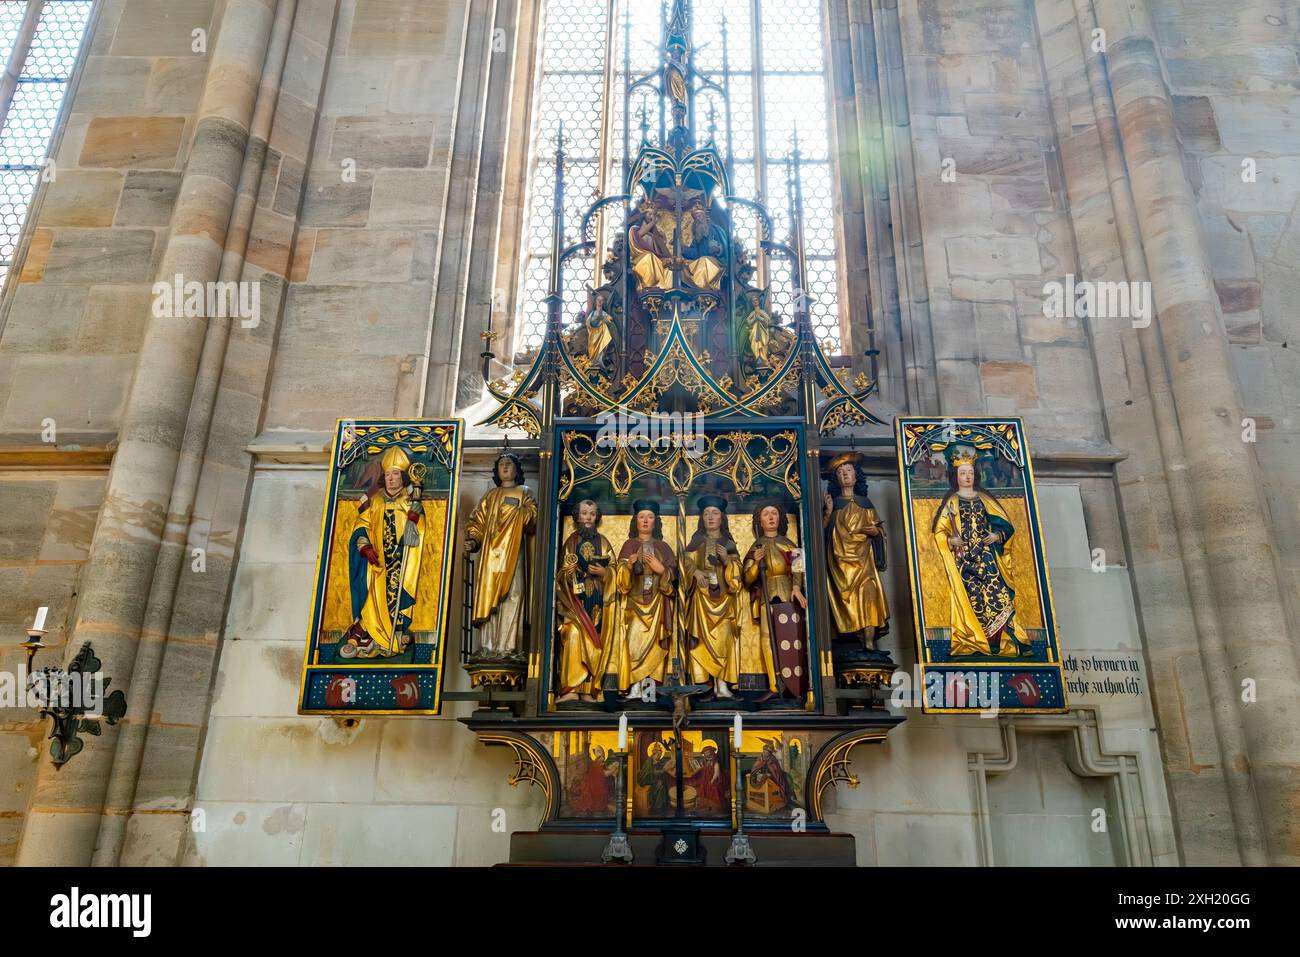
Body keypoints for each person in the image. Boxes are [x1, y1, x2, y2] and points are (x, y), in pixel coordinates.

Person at [930, 447, 1032, 657]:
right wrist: (950, 539)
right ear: (955, 476)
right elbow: (940, 531)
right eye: (962, 473)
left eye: (970, 473)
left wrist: (997, 536)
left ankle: (1006, 644)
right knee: (973, 601)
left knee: (1000, 598)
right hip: (966, 562)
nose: (967, 477)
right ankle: (977, 642)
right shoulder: (952, 501)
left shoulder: (985, 499)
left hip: (988, 559)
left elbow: (1006, 526)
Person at [341, 445, 425, 659]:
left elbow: (420, 529)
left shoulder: (409, 501)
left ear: (402, 477)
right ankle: (368, 633)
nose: (390, 478)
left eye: (395, 474)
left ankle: (392, 635)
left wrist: (415, 519)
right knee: (371, 596)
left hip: (399, 560)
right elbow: (362, 524)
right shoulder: (375, 500)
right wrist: (365, 547)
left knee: (396, 596)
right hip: (377, 562)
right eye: (387, 474)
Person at [464, 452, 537, 656]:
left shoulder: (524, 492)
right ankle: (488, 646)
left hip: (514, 553)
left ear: (517, 470)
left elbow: (533, 519)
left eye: (509, 464)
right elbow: (478, 521)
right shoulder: (490, 495)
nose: (505, 468)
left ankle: (509, 646)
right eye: (501, 464)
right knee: (489, 595)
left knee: (515, 594)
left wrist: (519, 513)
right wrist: (473, 539)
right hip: (491, 555)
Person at [823, 452, 890, 649]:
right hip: (840, 564)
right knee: (849, 602)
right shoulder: (833, 505)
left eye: (848, 470)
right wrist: (827, 514)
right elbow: (820, 535)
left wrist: (875, 531)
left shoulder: (866, 504)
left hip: (864, 563)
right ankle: (858, 639)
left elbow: (881, 532)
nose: (845, 475)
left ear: (856, 475)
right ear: (836, 479)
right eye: (840, 472)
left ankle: (869, 643)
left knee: (869, 597)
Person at [612, 500, 677, 692]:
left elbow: (674, 576)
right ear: (635, 521)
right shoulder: (629, 545)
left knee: (656, 645)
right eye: (642, 517)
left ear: (656, 522)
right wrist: (629, 566)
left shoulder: (663, 547)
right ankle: (634, 687)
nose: (646, 521)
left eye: (650, 517)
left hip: (657, 602)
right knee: (634, 643)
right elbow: (621, 580)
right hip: (635, 603)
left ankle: (651, 689)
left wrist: (661, 569)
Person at [681, 495, 741, 698]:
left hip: (724, 598)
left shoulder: (728, 543)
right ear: (701, 518)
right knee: (701, 643)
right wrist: (695, 573)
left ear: (722, 517)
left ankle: (722, 686)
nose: (710, 517)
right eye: (706, 513)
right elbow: (685, 563)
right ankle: (704, 685)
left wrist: (726, 561)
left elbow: (737, 573)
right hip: (701, 598)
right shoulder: (696, 541)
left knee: (724, 642)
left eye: (714, 513)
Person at [743, 502, 805, 697]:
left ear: (780, 519)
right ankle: (774, 684)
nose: (770, 517)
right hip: (767, 596)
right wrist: (756, 564)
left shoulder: (789, 544)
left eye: (774, 513)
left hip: (788, 594)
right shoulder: (756, 546)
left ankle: (795, 685)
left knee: (791, 637)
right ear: (759, 521)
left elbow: (798, 566)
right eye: (766, 514)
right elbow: (746, 579)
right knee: (767, 640)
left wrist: (796, 587)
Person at [556, 499, 615, 702]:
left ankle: (588, 690)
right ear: (577, 516)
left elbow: (615, 570)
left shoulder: (604, 542)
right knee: (573, 634)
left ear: (597, 517)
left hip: (597, 602)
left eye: (592, 513)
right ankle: (570, 688)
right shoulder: (570, 543)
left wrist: (604, 572)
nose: (588, 517)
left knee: (595, 643)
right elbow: (559, 576)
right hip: (574, 604)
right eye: (584, 513)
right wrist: (567, 573)